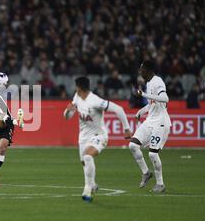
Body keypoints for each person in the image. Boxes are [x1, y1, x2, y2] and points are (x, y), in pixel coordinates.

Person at [63, 76, 131, 202]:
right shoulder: (77, 97)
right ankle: (93, 185)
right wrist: (67, 112)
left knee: (88, 157)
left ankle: (87, 190)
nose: (75, 88)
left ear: (80, 87)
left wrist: (127, 129)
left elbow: (118, 109)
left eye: (76, 86)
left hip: (98, 135)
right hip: (83, 137)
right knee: (85, 163)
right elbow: (68, 116)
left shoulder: (95, 101)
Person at [129, 61, 172, 193]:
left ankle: (160, 184)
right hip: (150, 120)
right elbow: (152, 104)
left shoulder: (157, 81)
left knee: (153, 155)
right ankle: (146, 172)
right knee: (133, 146)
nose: (140, 72)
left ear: (148, 70)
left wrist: (143, 94)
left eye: (142, 70)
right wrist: (140, 112)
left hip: (160, 122)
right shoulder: (148, 83)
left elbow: (165, 99)